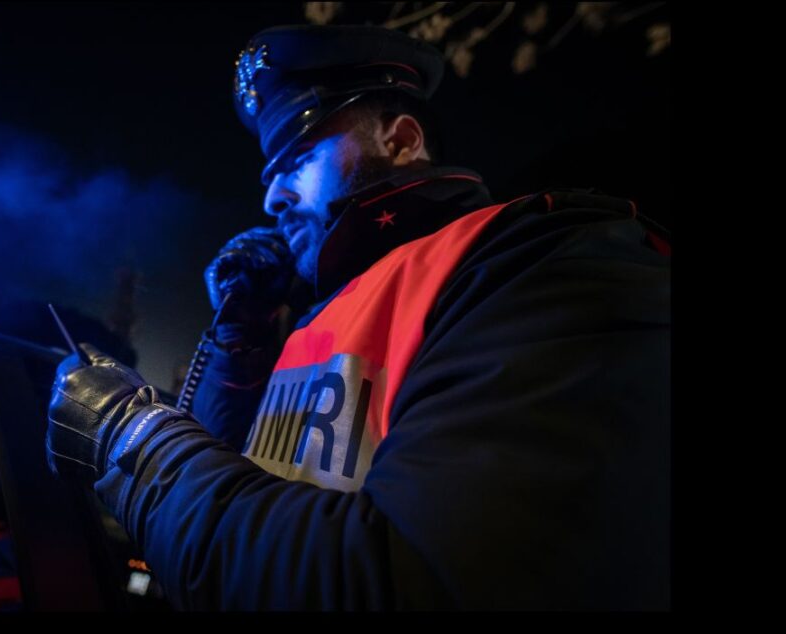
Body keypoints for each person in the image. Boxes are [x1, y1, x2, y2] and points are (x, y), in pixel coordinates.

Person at [45, 24, 670, 609]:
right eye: (269, 173)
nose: (272, 196)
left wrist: (132, 439)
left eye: (299, 156)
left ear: (400, 141)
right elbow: (233, 477)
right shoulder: (316, 311)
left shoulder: (541, 259)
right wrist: (240, 338)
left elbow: (406, 579)